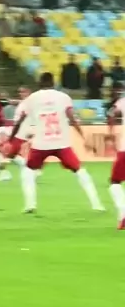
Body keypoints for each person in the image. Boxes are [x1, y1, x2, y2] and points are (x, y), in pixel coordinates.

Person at [10, 72, 104, 214]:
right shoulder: (63, 97)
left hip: (41, 144)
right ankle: (97, 204)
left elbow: (20, 120)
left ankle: (30, 205)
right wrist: (83, 137)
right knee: (80, 171)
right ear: (53, 83)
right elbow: (72, 119)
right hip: (61, 143)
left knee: (28, 171)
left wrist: (11, 138)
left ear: (39, 83)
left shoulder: (32, 98)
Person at [107, 95, 125, 229]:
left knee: (115, 182)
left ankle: (123, 214)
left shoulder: (123, 101)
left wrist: (111, 131)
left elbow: (111, 113)